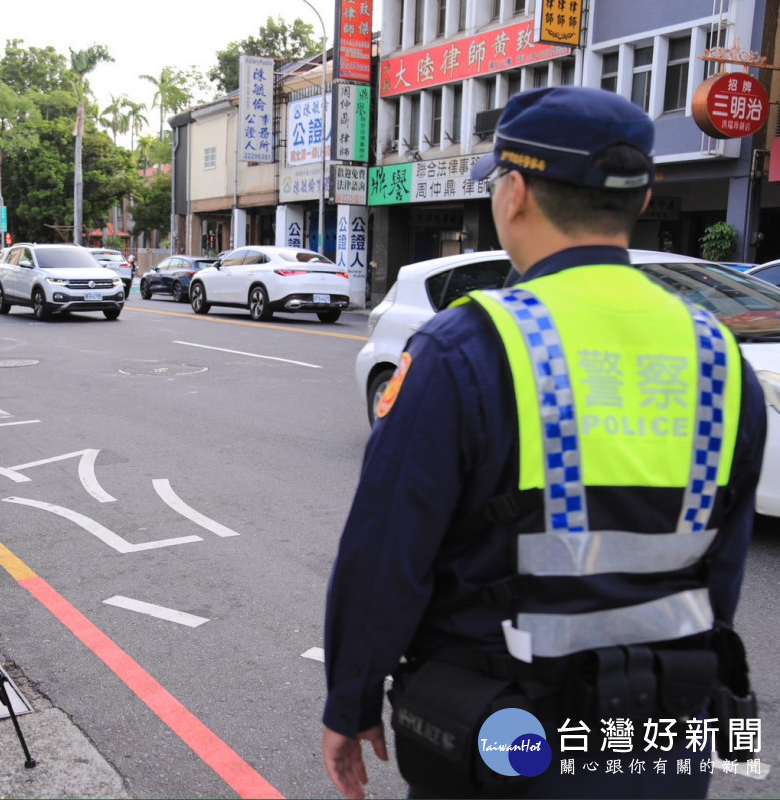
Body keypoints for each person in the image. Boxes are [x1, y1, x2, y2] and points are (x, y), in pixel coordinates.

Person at [321, 86, 767, 799]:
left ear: (516, 193)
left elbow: (385, 553)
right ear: (642, 200)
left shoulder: (467, 348)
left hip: (504, 742)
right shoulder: (720, 358)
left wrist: (350, 700)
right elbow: (724, 570)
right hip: (659, 739)